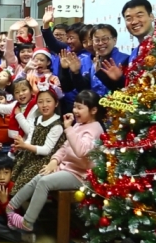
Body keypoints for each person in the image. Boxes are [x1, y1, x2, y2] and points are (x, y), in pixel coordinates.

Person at [7, 90, 104, 232]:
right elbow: (64, 147)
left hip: (80, 175)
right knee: (40, 176)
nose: (75, 111)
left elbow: (81, 151)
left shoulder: (95, 129)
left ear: (93, 110)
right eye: (74, 107)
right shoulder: (78, 125)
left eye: (79, 108)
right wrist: (54, 160)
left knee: (44, 182)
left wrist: (68, 128)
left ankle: (27, 222)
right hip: (66, 167)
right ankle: (10, 207)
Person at [10, 88, 65, 195]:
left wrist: (25, 146)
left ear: (56, 103)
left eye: (48, 101)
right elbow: (30, 139)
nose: (44, 105)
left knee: (22, 183)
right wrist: (21, 145)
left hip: (43, 160)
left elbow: (46, 150)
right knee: (13, 174)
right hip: (30, 155)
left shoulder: (57, 125)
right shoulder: (36, 119)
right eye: (40, 102)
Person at [97, 0, 155, 92]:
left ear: (151, 16)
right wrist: (119, 79)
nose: (134, 22)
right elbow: (131, 88)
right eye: (129, 18)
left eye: (139, 16)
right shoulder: (134, 53)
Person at [0, 155, 35, 243]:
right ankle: (20, 237)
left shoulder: (14, 187)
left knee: (27, 225)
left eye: (6, 173)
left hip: (9, 218)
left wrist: (4, 202)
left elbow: (16, 215)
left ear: (12, 173)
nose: (2, 177)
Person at [59, 24, 128, 97]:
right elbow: (84, 89)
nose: (100, 43)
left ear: (115, 40)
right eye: (97, 40)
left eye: (105, 39)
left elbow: (127, 91)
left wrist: (119, 79)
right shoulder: (95, 62)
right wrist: (76, 72)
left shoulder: (125, 60)